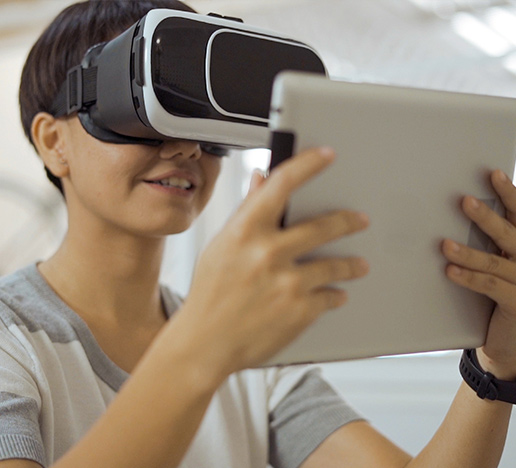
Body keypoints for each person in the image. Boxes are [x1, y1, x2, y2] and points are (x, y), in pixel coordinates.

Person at [0, 1, 515, 467]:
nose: (185, 149)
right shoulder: (12, 341)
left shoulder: (251, 342)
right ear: (53, 142)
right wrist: (206, 343)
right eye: (144, 120)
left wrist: (496, 370)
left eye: (203, 126)